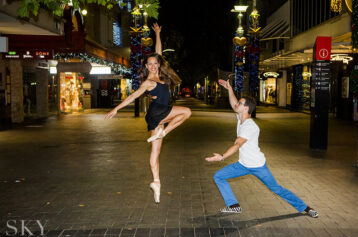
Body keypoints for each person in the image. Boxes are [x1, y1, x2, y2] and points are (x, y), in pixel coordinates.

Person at [205, 79, 318, 218]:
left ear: (246, 108)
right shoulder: (241, 118)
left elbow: (237, 145)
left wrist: (222, 156)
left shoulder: (249, 126)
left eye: (240, 103)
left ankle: (305, 208)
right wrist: (229, 89)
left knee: (276, 189)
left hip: (258, 166)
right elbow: (233, 104)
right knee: (218, 176)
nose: (236, 104)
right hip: (243, 164)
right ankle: (234, 206)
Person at [105, 23, 191, 203]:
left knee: (155, 152)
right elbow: (133, 96)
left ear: (158, 64)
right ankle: (163, 132)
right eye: (149, 64)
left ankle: (156, 183)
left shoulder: (160, 74)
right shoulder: (149, 81)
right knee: (186, 112)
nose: (152, 66)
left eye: (155, 63)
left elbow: (158, 50)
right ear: (146, 66)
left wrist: (158, 33)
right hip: (158, 112)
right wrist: (116, 109)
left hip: (156, 116)